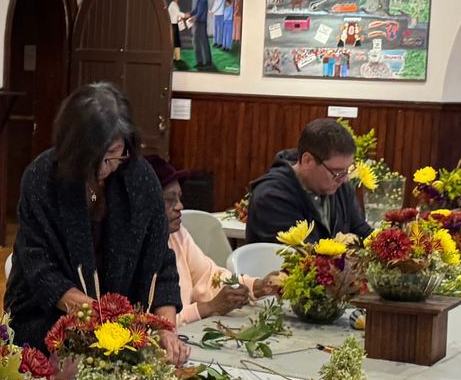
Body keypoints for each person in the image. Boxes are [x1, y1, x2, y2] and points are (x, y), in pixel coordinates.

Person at [5, 82, 186, 360]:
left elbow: (159, 260)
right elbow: (39, 267)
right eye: (98, 158)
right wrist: (99, 316)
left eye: (116, 154)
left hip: (121, 334)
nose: (108, 166)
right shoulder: (43, 178)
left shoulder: (139, 177)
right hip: (46, 325)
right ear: (74, 149)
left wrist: (165, 328)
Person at [147, 155, 265, 324]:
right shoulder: (135, 250)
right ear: (147, 203)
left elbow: (209, 276)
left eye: (180, 197)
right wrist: (208, 307)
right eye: (170, 199)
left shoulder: (177, 234)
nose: (180, 206)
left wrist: (256, 286)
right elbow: (152, 324)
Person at [243, 117, 373, 245]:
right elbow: (300, 256)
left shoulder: (339, 185)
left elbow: (362, 232)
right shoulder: (271, 197)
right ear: (307, 160)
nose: (345, 179)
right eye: (337, 171)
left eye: (347, 170)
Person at [191, 0, 215, 70]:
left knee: (203, 42)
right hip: (198, 23)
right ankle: (200, 62)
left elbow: (200, 12)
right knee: (197, 42)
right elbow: (196, 10)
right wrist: (189, 14)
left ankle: (208, 61)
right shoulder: (199, 0)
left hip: (201, 24)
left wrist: (194, 18)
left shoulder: (204, 0)